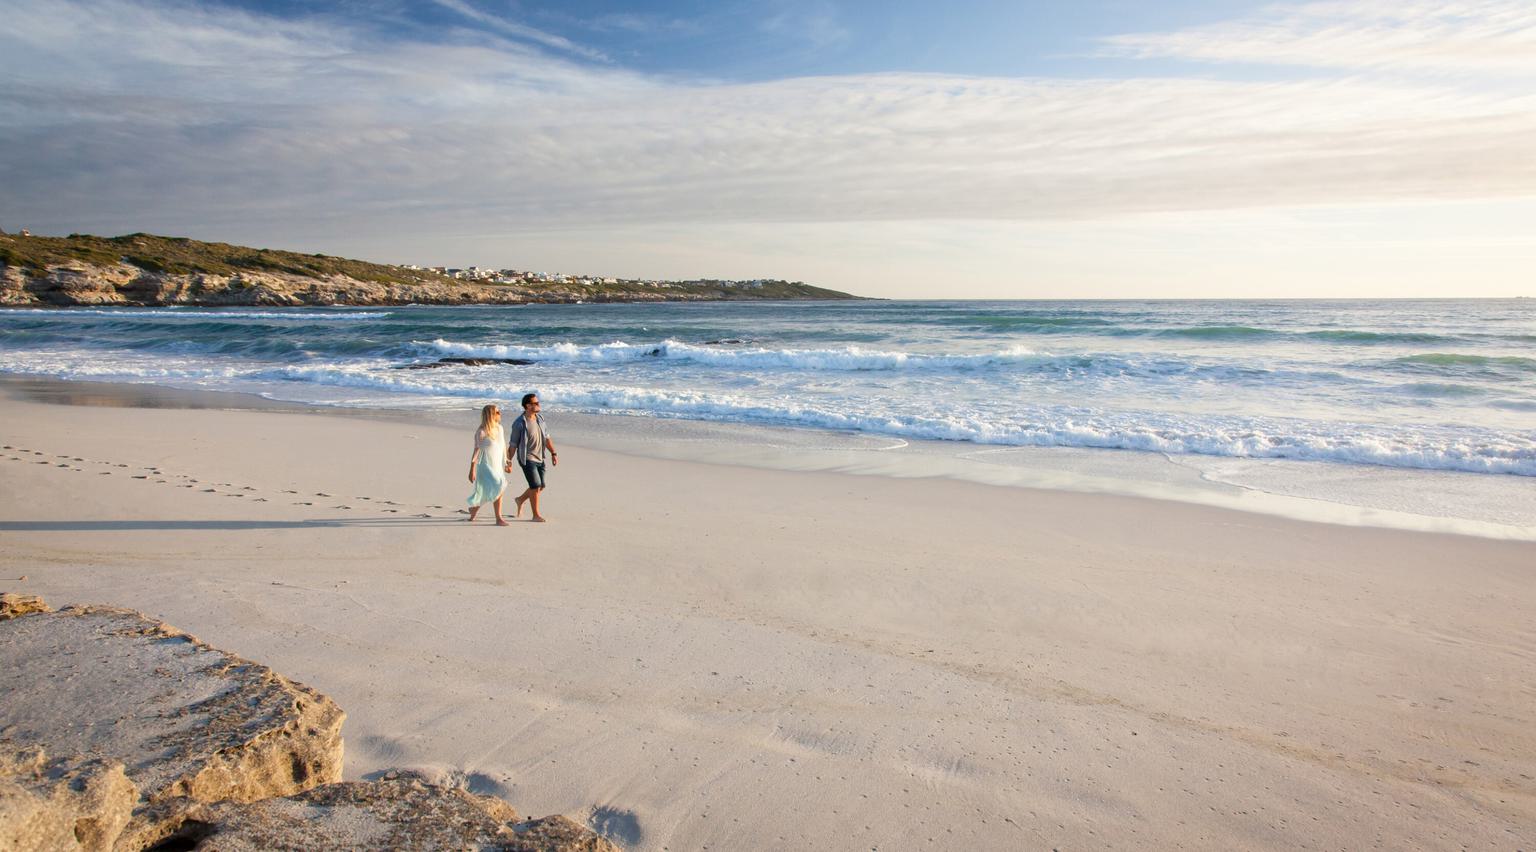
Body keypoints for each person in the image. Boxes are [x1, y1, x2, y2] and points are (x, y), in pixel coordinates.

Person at [505, 392, 558, 522]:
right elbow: (513, 444)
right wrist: (508, 461)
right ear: (528, 406)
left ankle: (520, 499)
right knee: (535, 486)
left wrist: (553, 453)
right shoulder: (519, 423)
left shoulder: (540, 418)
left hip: (540, 457)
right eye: (536, 403)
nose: (539, 405)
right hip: (527, 458)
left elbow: (547, 438)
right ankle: (535, 515)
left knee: (541, 486)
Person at [466, 404, 509, 526]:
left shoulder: (499, 428)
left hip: (497, 465)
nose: (500, 414)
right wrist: (472, 469)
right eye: (497, 412)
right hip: (484, 464)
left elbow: (503, 446)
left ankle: (474, 509)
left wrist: (507, 462)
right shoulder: (481, 431)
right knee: (498, 485)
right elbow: (476, 451)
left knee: (491, 489)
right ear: (491, 415)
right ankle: (498, 518)